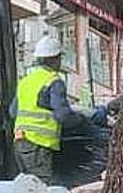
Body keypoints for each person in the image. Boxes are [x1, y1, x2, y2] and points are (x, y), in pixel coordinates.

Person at [10, 35, 85, 183]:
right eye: (59, 58)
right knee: (42, 190)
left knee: (28, 187)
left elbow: (13, 112)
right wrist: (82, 121)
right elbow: (63, 115)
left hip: (20, 143)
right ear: (54, 59)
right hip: (38, 146)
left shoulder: (25, 81)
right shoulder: (54, 81)